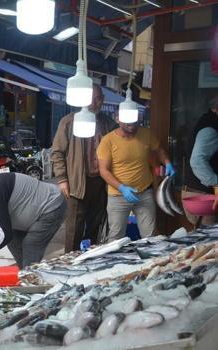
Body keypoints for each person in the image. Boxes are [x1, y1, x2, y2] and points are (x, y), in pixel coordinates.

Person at [51, 85, 118, 252]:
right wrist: (62, 179)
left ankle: (90, 263)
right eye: (90, 98)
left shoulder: (108, 124)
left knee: (95, 228)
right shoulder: (69, 122)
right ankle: (69, 265)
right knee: (74, 229)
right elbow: (57, 152)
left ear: (102, 100)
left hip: (101, 183)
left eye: (98, 99)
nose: (93, 103)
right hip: (77, 183)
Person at [97, 113, 174, 241]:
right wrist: (122, 188)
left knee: (150, 236)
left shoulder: (146, 134)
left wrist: (168, 163)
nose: (132, 125)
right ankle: (115, 261)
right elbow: (103, 171)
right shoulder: (107, 141)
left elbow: (159, 150)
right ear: (118, 119)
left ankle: (149, 260)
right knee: (116, 237)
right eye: (128, 122)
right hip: (118, 196)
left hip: (144, 193)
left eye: (134, 121)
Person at [183, 96, 218, 225]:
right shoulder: (210, 128)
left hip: (200, 190)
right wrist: (216, 183)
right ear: (215, 109)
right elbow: (197, 161)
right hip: (202, 193)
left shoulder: (207, 122)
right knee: (207, 238)